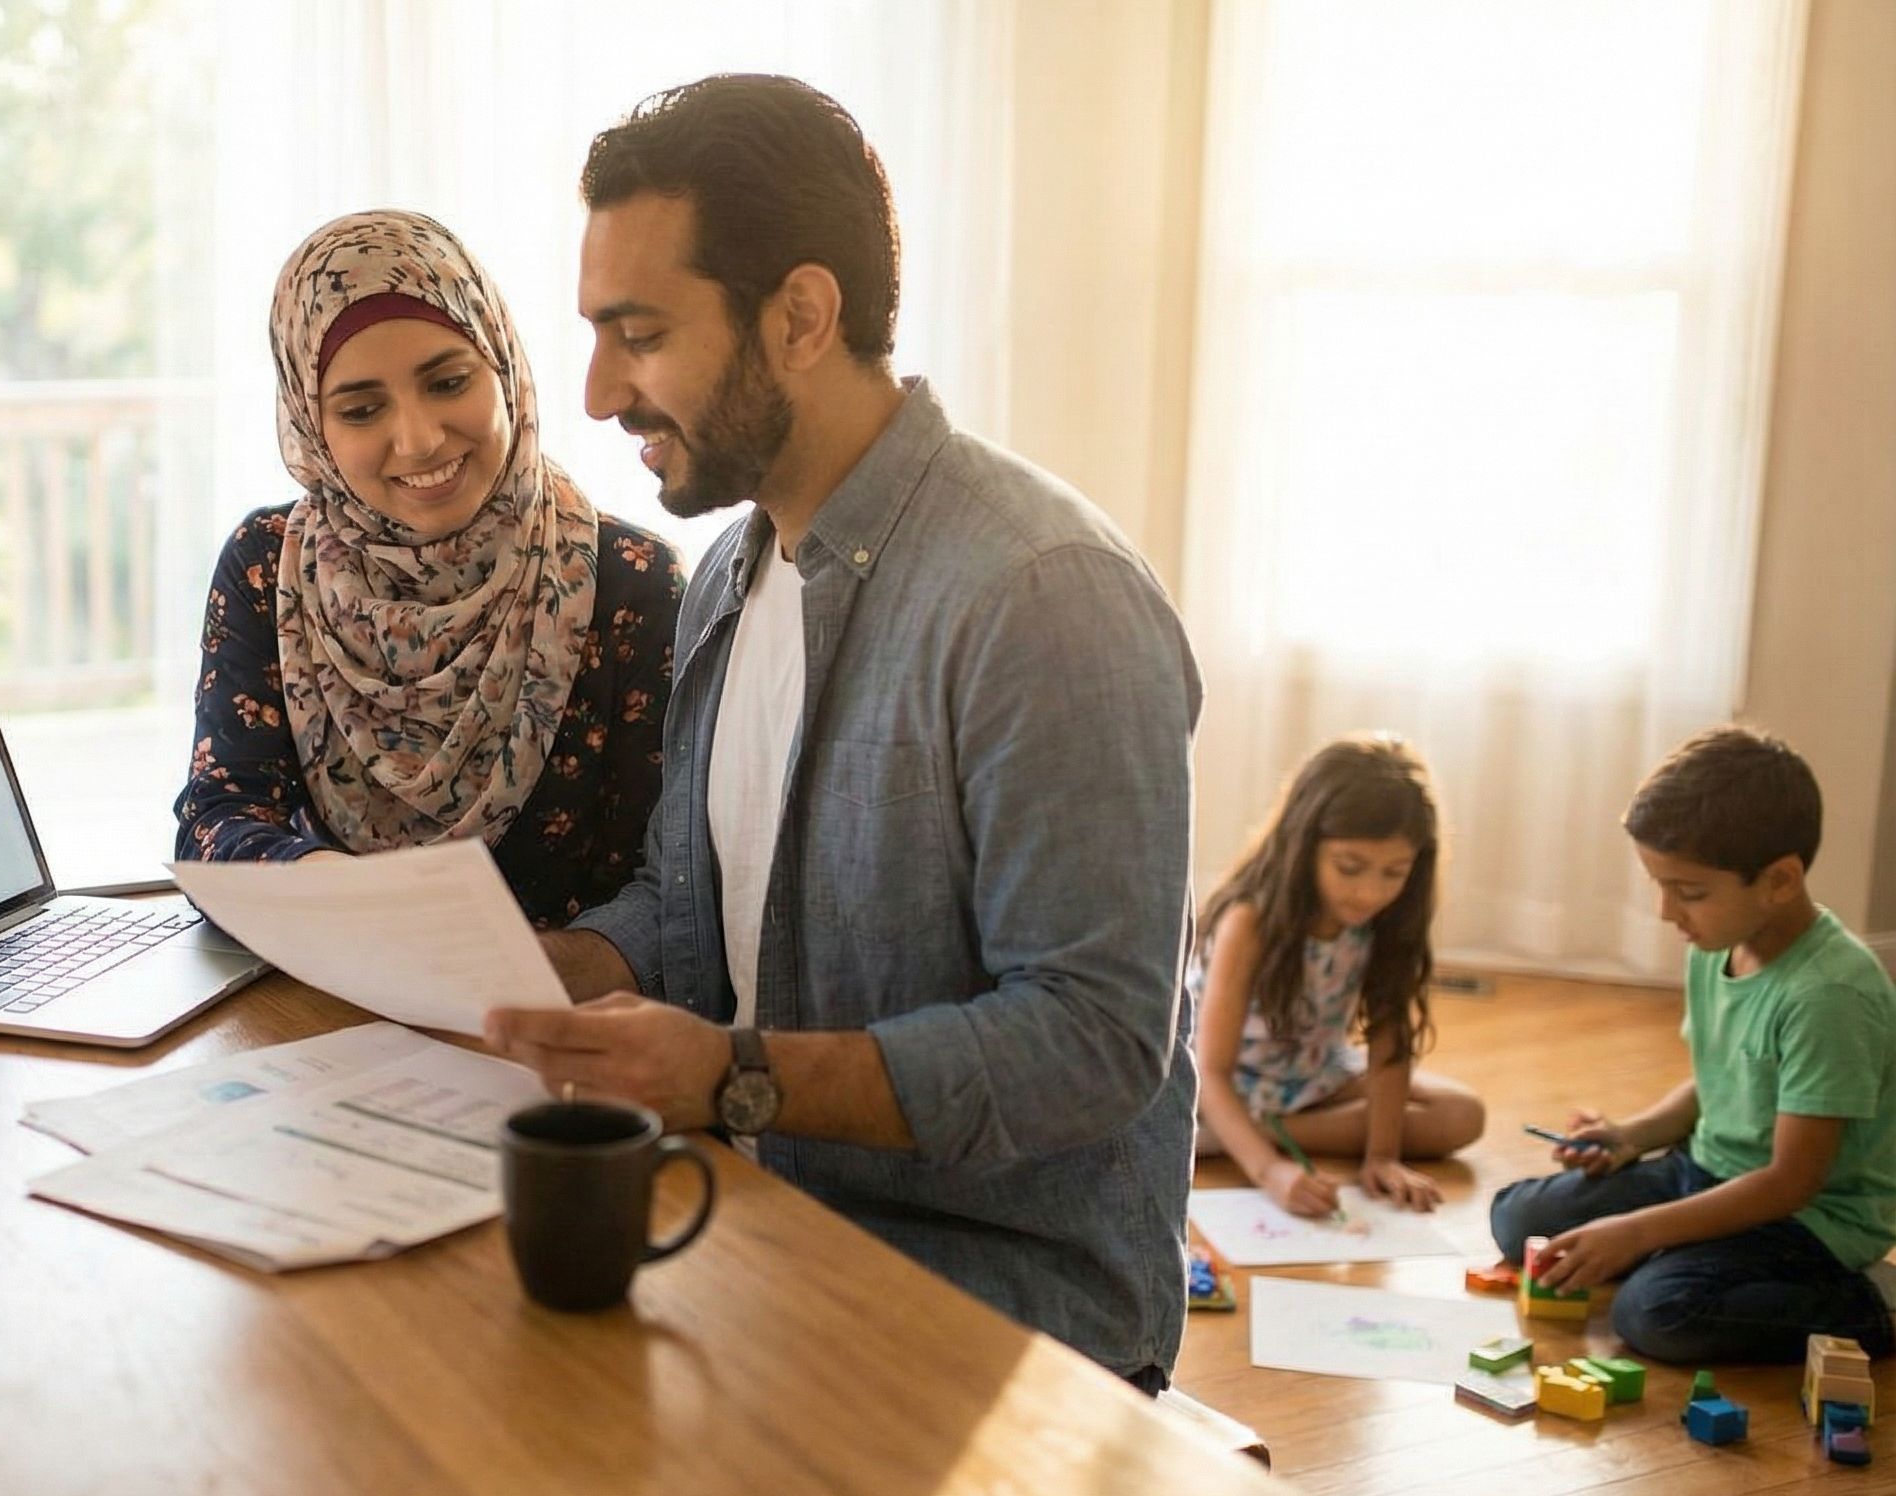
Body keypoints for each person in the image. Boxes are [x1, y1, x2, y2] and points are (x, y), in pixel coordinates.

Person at [482, 76, 1203, 1391]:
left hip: (999, 1306)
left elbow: (1093, 1041)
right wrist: (560, 967)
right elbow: (697, 892)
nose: (595, 393)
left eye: (637, 334)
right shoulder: (731, 572)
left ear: (801, 316)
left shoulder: (1041, 598)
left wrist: (733, 1078)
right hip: (759, 1228)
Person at [174, 210, 684, 927]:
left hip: (561, 1019)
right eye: (360, 409)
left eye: (447, 383)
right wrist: (364, 909)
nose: (416, 440)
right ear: (311, 424)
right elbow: (215, 821)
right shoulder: (269, 567)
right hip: (330, 1004)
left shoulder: (633, 582)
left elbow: (667, 888)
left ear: (503, 366)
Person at [1492, 726, 1896, 1363]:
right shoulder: (1716, 943)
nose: (1664, 912)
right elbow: (1720, 1076)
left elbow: (1791, 1182)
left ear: (1780, 880)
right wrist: (1634, 1136)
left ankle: (1869, 1306)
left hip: (1806, 1220)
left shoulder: (1830, 996)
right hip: (1707, 1170)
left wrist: (1636, 1232)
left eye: (1689, 892)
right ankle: (1685, 1251)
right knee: (1518, 1220)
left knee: (1656, 1313)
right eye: (1659, 885)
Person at [1190, 735, 1486, 1218]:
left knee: (1462, 1114)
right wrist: (1270, 1172)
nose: (1370, 893)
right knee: (1208, 1101)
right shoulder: (1249, 922)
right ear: (1303, 846)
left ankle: (1248, 1133)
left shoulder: (1388, 921)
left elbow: (1391, 1041)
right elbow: (1211, 1071)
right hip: (1224, 1085)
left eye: (1394, 873)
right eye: (1350, 868)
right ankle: (1236, 1132)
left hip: (1312, 1073)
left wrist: (1382, 1156)